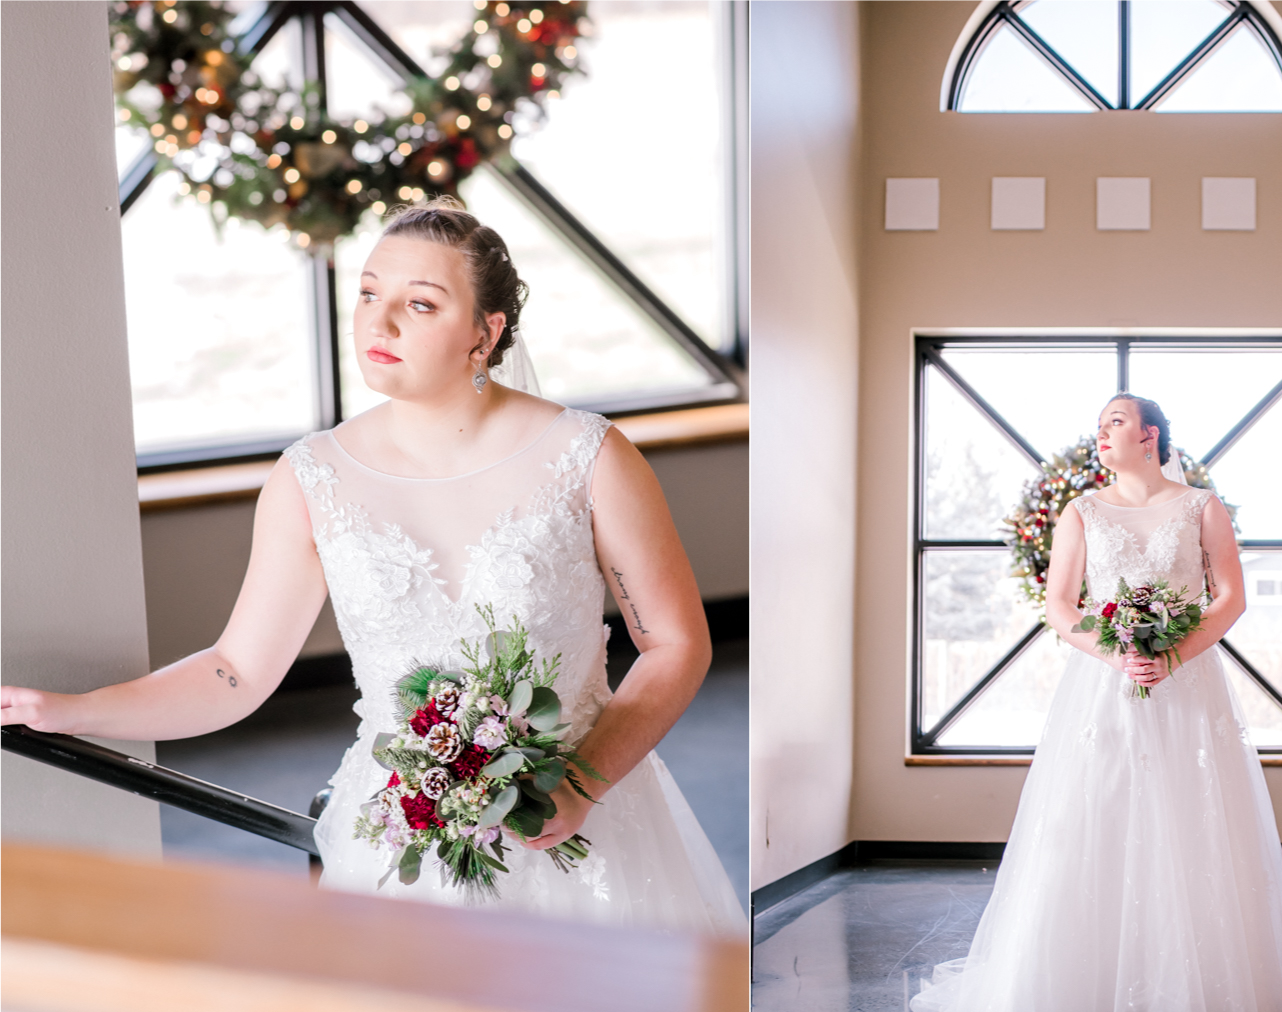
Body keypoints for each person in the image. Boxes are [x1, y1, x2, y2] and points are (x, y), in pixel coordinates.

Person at [1, 200, 744, 938]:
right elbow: (237, 669)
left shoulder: (588, 456)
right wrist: (71, 712)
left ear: (486, 333)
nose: (377, 322)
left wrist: (579, 782)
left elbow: (675, 644)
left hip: (585, 826)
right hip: (395, 844)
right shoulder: (311, 477)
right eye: (367, 293)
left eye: (419, 304)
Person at [909, 395, 1282, 1012]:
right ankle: (1085, 981)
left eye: (1113, 421)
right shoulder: (1081, 512)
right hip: (1102, 686)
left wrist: (1173, 654)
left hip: (1190, 682)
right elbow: (1061, 606)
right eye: (1097, 425)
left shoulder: (1202, 507)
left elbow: (1230, 598)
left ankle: (1197, 986)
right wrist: (1117, 653)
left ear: (1150, 435)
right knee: (1091, 814)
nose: (1100, 433)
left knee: (1189, 815)